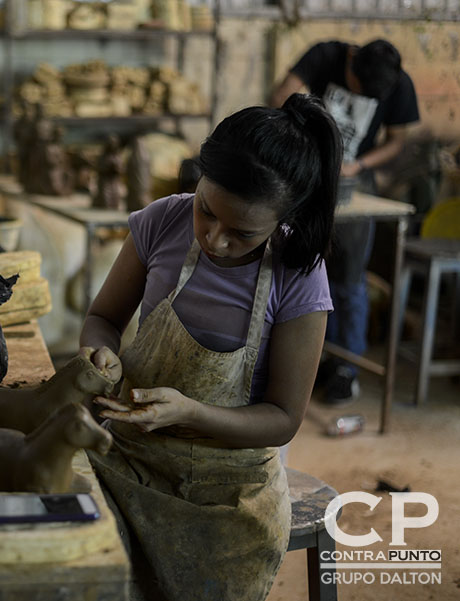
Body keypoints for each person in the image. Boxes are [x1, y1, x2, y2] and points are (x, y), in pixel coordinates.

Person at [79, 94, 341, 601]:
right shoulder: (161, 222)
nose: (216, 240)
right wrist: (100, 354)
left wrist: (192, 413)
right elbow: (101, 318)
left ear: (282, 218)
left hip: (229, 489)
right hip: (128, 453)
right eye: (206, 210)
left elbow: (283, 418)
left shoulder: (297, 273)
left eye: (243, 234)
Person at [271, 39, 420, 403]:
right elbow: (281, 95)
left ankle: (346, 368)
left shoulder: (398, 82)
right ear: (351, 62)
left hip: (355, 175)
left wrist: (358, 164)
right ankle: (310, 359)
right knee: (302, 266)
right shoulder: (327, 55)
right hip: (312, 172)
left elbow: (397, 141)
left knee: (350, 278)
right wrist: (309, 141)